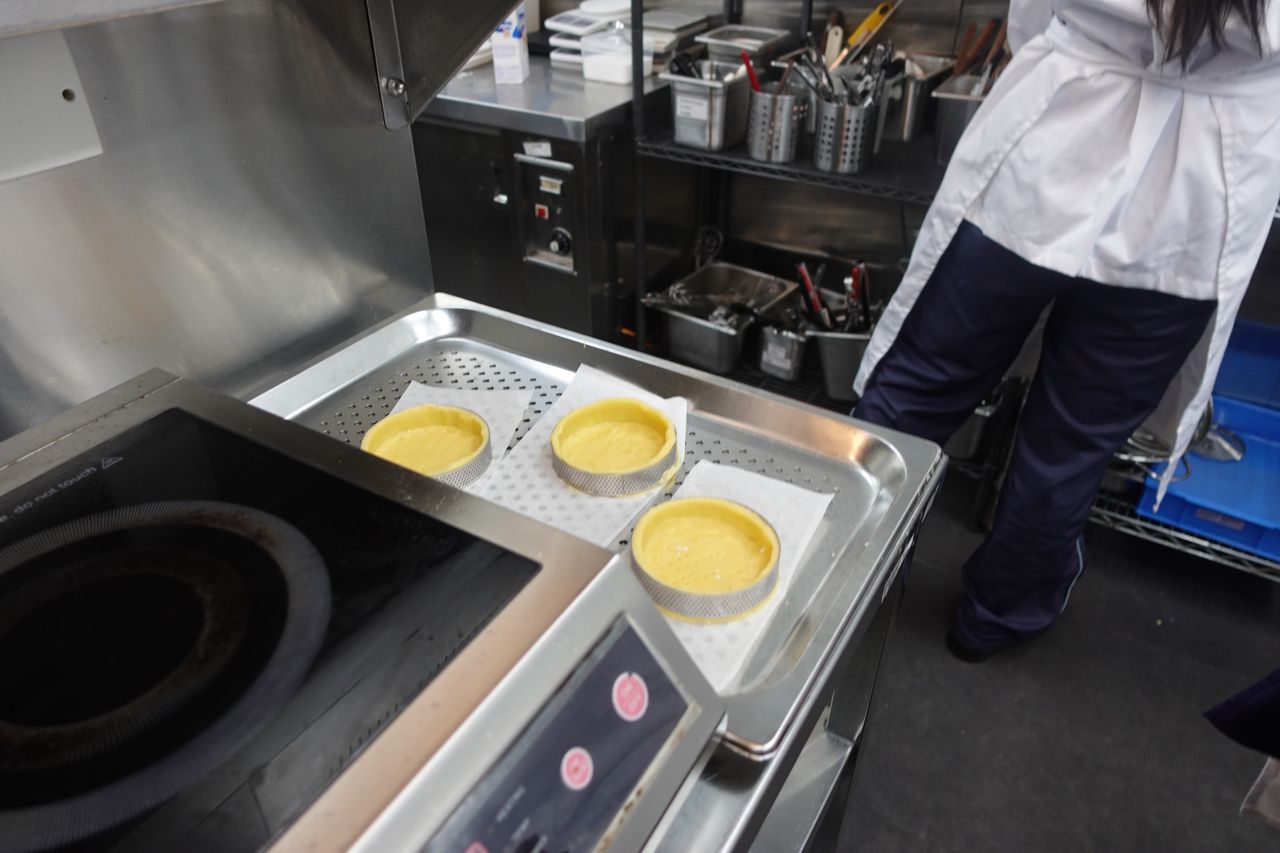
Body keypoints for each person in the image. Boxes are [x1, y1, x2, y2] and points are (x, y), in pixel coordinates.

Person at [852, 0, 1280, 661]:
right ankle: (995, 619)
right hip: (1200, 197)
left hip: (1053, 140)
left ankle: (844, 584)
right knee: (1072, 444)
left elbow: (1032, 17)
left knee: (919, 391)